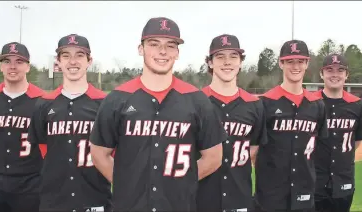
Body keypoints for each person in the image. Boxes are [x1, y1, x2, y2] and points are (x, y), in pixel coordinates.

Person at [89, 17, 226, 211]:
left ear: (177, 53)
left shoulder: (197, 100)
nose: (163, 51)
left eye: (170, 46)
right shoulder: (117, 99)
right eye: (154, 44)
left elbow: (213, 157)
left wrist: (179, 184)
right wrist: (127, 184)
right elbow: (98, 153)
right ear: (140, 49)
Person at [27, 34, 112, 212]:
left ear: (89, 60)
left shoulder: (105, 104)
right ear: (58, 61)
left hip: (95, 197)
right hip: (54, 199)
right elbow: (43, 148)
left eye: (79, 55)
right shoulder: (44, 103)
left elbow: (113, 153)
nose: (73, 61)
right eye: (66, 55)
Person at [254, 40, 329, 212]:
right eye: (290, 61)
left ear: (307, 63)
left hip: (304, 191)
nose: (295, 66)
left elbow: (318, 148)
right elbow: (253, 150)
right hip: (271, 194)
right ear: (281, 63)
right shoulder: (265, 103)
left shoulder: (317, 105)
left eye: (300, 61)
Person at [197, 34, 267, 212]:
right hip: (200, 199)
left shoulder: (254, 104)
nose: (227, 62)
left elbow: (253, 149)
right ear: (210, 62)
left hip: (240, 198)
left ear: (241, 62)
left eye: (233, 56)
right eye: (220, 57)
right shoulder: (195, 102)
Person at [0, 42, 45, 212]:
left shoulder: (42, 101)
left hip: (30, 184)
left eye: (19, 61)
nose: (12, 66)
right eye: (7, 61)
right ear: (0, 66)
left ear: (28, 66)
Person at [312, 54, 362, 212]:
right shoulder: (309, 103)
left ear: (347, 74)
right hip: (312, 182)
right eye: (329, 70)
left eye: (340, 70)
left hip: (343, 181)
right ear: (321, 73)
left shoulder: (358, 106)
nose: (335, 74)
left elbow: (356, 142)